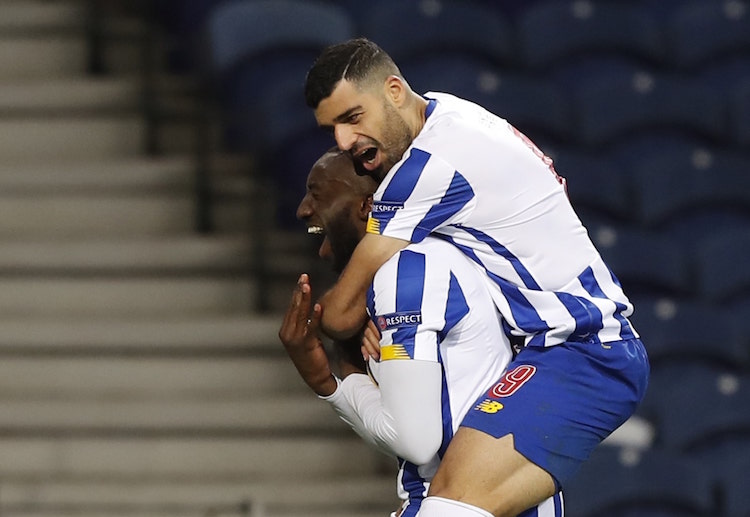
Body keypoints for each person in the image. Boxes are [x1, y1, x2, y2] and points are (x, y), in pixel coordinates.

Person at [303, 38, 650, 517]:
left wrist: (347, 329)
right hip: (555, 351)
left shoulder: (428, 166)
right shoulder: (449, 112)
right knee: (448, 500)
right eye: (332, 129)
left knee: (449, 506)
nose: (344, 142)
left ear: (395, 91)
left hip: (585, 351)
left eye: (353, 118)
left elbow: (340, 314)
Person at [279, 148, 564, 517]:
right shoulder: (432, 262)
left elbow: (414, 441)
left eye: (317, 194)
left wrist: (329, 383)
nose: (303, 209)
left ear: (368, 206)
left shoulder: (408, 273)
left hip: (464, 503)